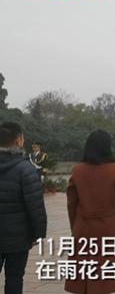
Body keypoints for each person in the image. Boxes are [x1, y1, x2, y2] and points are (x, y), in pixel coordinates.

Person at [65, 129, 115, 294]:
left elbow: (71, 202)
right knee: (104, 276)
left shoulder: (77, 170)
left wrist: (75, 225)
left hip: (83, 227)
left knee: (84, 271)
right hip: (110, 228)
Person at [0, 122, 47, 294]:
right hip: (18, 238)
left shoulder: (26, 167)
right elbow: (35, 206)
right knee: (14, 278)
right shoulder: (26, 169)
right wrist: (38, 233)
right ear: (19, 140)